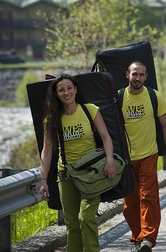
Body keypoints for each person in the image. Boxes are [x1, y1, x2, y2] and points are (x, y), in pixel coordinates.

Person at [39, 74, 117, 252]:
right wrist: (43, 180)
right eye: (61, 90)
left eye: (69, 88)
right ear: (56, 94)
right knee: (72, 224)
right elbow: (47, 150)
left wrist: (110, 160)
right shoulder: (52, 119)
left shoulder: (90, 110)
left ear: (75, 89)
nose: (66, 92)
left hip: (92, 173)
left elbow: (106, 137)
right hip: (66, 175)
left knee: (86, 217)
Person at [121, 61, 166, 252]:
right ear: (127, 74)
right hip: (127, 159)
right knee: (130, 202)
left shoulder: (153, 96)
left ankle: (148, 239)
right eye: (135, 74)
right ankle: (137, 237)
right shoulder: (118, 97)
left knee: (149, 197)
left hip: (149, 155)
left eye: (141, 75)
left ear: (146, 76)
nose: (138, 78)